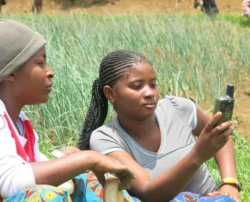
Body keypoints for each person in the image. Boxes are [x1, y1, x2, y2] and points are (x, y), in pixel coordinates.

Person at [0, 20, 135, 202]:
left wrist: (72, 162)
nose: (50, 71)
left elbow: (40, 173)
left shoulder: (20, 121)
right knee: (43, 197)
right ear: (11, 73)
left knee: (88, 179)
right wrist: (88, 158)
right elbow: (10, 184)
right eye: (40, 63)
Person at [78, 50, 241, 201]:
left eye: (153, 84)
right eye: (137, 86)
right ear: (111, 93)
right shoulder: (106, 138)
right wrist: (197, 155)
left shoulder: (178, 108)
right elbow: (148, 192)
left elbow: (221, 137)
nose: (149, 93)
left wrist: (229, 182)